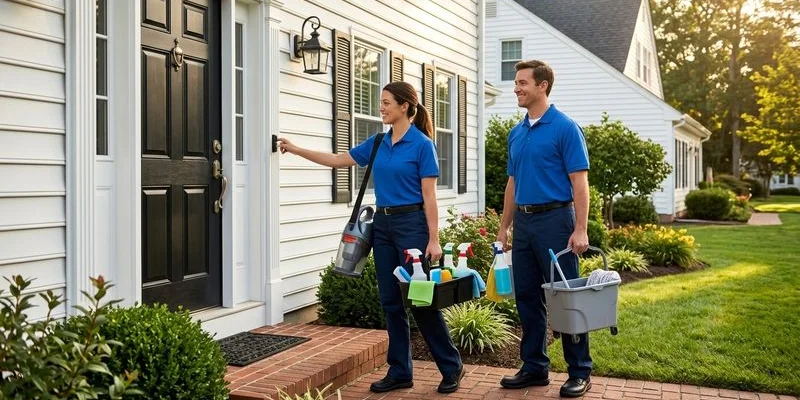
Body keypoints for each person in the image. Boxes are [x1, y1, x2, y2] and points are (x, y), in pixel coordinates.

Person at [277, 81, 464, 394]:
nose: (382, 108)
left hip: (413, 225)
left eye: (387, 102)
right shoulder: (379, 142)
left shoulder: (421, 145)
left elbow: (430, 197)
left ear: (405, 106)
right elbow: (339, 159)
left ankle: (451, 366)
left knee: (420, 300)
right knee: (391, 302)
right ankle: (401, 371)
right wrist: (296, 149)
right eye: (382, 102)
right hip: (383, 225)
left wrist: (434, 239)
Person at [496, 60, 593, 398]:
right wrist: (503, 228)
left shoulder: (565, 128)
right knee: (527, 297)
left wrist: (580, 229)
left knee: (566, 298)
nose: (516, 88)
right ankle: (535, 367)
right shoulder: (516, 132)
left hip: (556, 221)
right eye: (516, 83)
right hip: (524, 223)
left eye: (522, 82)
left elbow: (580, 184)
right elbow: (512, 183)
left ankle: (580, 370)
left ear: (543, 86)